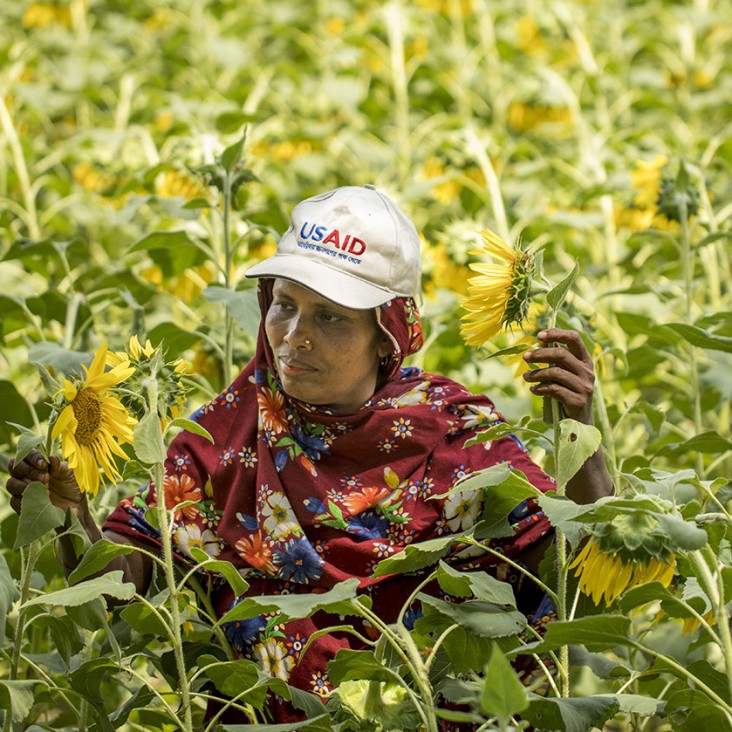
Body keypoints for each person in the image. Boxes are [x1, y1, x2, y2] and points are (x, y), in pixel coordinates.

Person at [6, 185, 613, 723]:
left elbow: (576, 573)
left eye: (330, 316)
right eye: (285, 304)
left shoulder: (452, 433)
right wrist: (70, 516)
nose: (296, 334)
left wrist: (579, 435)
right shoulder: (226, 432)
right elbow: (129, 582)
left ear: (388, 335)